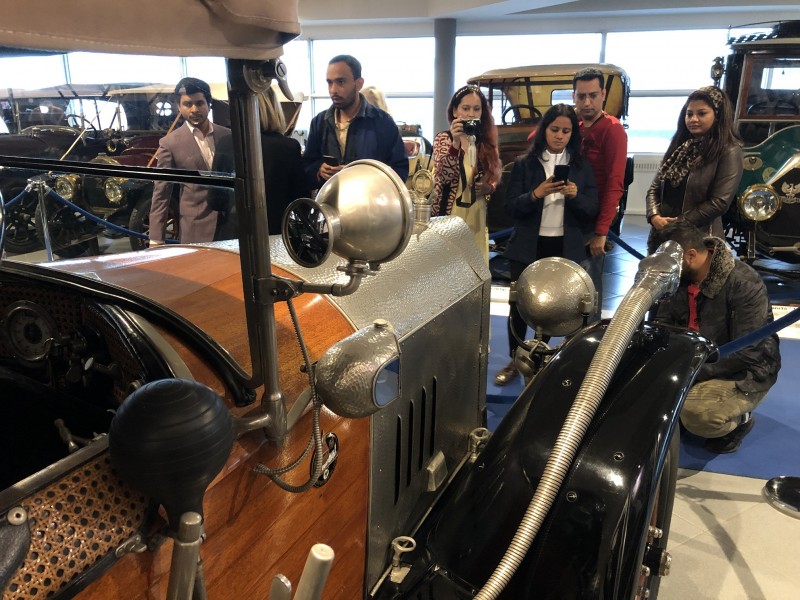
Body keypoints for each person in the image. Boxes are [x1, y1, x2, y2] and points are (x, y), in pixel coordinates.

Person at [653, 221, 781, 453]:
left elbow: (749, 352)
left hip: (743, 371)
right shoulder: (677, 277)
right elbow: (661, 325)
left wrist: (689, 373)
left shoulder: (744, 282)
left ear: (691, 255)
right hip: (692, 363)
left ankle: (740, 421)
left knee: (698, 416)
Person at [494, 104, 598, 385]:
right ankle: (515, 359)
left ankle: (544, 358)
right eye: (555, 129)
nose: (560, 136)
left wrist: (575, 195)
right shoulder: (525, 164)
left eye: (566, 131)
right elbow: (510, 207)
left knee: (557, 306)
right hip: (527, 245)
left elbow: (592, 209)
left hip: (565, 246)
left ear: (573, 134)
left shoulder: (581, 166)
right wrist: (536, 194)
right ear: (544, 130)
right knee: (518, 306)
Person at [646, 86, 743, 253]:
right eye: (689, 114)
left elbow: (719, 203)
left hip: (700, 240)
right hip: (663, 235)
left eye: (701, 113)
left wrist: (678, 224)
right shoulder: (680, 146)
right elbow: (655, 187)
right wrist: (654, 215)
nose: (693, 119)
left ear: (718, 116)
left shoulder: (729, 150)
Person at [211, 87, 310, 240]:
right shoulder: (289, 147)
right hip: (274, 234)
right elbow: (301, 201)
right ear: (273, 108)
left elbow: (214, 201)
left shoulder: (226, 143)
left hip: (232, 234)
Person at [573, 67, 628, 320]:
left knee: (589, 287)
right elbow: (535, 138)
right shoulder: (573, 125)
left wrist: (601, 231)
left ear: (603, 94)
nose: (587, 102)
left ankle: (588, 338)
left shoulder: (612, 129)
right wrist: (568, 117)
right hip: (570, 214)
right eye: (581, 96)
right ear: (574, 96)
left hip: (592, 219)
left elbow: (615, 182)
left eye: (593, 96)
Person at [302, 55, 407, 186]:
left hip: (369, 197)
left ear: (358, 84)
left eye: (340, 82)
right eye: (329, 83)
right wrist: (319, 170)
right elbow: (307, 166)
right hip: (331, 197)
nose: (333, 90)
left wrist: (358, 175)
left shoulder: (382, 123)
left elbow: (399, 172)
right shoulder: (319, 122)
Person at [149, 77, 231, 246]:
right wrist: (156, 239)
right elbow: (161, 193)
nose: (194, 109)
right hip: (195, 229)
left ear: (209, 104)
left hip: (231, 226)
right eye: (188, 104)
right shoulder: (170, 143)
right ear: (179, 107)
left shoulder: (227, 135)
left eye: (200, 103)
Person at [432, 85, 502, 261]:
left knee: (476, 264)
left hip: (476, 214)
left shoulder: (485, 141)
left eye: (476, 109)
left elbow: (495, 173)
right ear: (455, 111)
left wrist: (489, 187)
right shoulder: (444, 138)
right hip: (450, 215)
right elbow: (443, 176)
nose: (471, 114)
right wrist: (455, 144)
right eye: (466, 108)